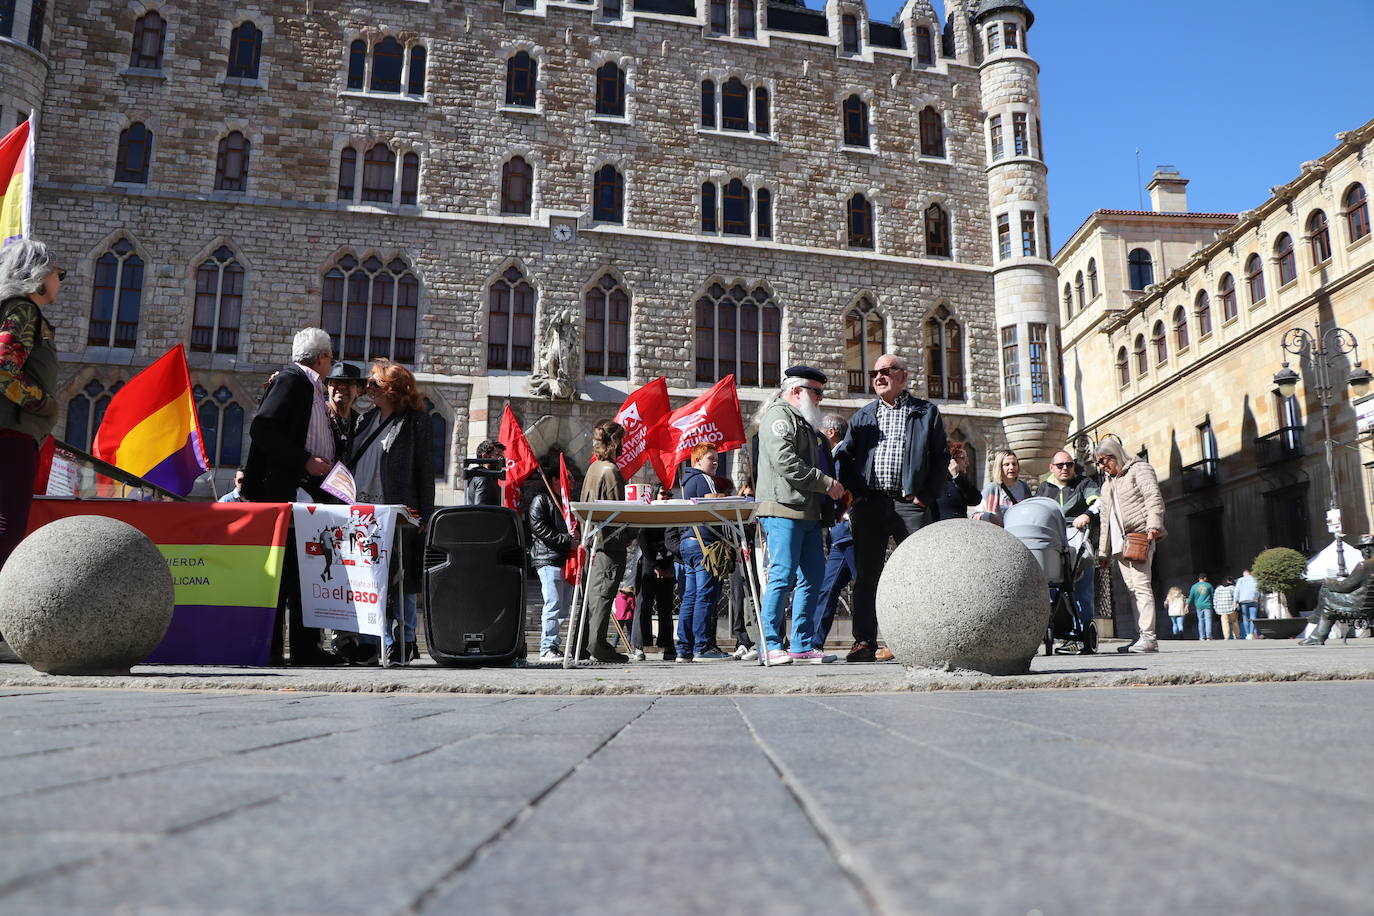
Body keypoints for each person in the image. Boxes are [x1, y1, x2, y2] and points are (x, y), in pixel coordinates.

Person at [835, 353, 948, 663]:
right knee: (866, 575)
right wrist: (854, 495)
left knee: (917, 573)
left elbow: (941, 458)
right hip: (870, 503)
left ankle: (917, 637)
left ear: (903, 375)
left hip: (909, 502)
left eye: (886, 371)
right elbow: (844, 457)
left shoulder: (926, 412)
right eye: (875, 372)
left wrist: (924, 497)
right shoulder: (864, 416)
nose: (879, 377)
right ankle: (864, 642)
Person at [242, 327, 337, 664]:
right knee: (286, 574)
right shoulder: (294, 380)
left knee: (303, 572)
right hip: (287, 490)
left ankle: (303, 647)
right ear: (322, 357)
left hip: (305, 493)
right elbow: (262, 427)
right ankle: (276, 647)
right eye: (330, 356)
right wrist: (305, 461)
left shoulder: (309, 385)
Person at [756, 366, 843, 665]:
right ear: (796, 391)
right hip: (783, 508)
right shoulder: (778, 417)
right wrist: (826, 483)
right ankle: (769, 643)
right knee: (783, 575)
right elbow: (785, 462)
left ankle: (802, 643)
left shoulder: (802, 422)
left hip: (808, 511)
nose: (820, 399)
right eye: (816, 392)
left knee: (813, 577)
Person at [349, 361, 435, 663]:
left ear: (393, 388)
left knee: (402, 578)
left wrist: (425, 512)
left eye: (374, 383)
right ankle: (374, 640)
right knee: (369, 580)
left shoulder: (415, 421)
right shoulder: (364, 419)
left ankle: (405, 640)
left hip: (398, 510)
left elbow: (425, 470)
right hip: (361, 511)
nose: (367, 388)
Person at [0, 240, 61, 573]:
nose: (60, 279)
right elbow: (3, 368)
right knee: (7, 531)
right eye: (58, 272)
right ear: (38, 275)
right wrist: (43, 405)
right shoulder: (23, 310)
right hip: (11, 435)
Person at [1094, 437, 1166, 653]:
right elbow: (1105, 519)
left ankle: (1149, 637)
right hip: (1119, 543)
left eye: (1105, 460)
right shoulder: (1108, 483)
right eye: (1099, 462)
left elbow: (1153, 497)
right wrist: (1103, 551)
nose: (1102, 466)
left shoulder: (1139, 469)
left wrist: (1154, 524)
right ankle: (1140, 637)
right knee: (1132, 589)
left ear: (1116, 454)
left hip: (1138, 535)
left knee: (1142, 586)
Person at [578, 419, 635, 662]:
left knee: (592, 595)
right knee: (602, 595)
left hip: (592, 542)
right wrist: (632, 534)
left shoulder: (593, 468)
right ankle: (597, 645)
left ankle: (584, 644)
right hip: (608, 544)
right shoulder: (611, 471)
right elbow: (616, 513)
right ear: (615, 441)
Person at [1036, 450, 1101, 638]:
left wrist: (1087, 515)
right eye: (1060, 465)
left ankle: (1085, 633)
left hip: (1078, 538)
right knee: (1053, 589)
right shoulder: (1044, 488)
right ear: (1051, 468)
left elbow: (1098, 502)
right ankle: (1059, 630)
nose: (1065, 468)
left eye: (1069, 464)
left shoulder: (1084, 483)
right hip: (1053, 541)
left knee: (1082, 589)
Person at [676, 443, 731, 662]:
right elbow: (713, 511)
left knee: (690, 596)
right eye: (711, 459)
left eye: (717, 459)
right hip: (703, 543)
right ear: (698, 461)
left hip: (688, 543)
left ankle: (684, 647)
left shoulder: (686, 481)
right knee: (705, 596)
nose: (716, 463)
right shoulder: (704, 479)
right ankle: (702, 646)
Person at [814, 414, 855, 649]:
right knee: (827, 589)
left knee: (867, 588)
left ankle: (877, 639)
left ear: (830, 432)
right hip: (841, 534)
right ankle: (813, 642)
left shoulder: (842, 455)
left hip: (850, 530)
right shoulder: (836, 455)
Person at [529, 471, 573, 662]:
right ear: (555, 479)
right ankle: (546, 648)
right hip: (548, 559)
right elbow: (539, 528)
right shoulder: (541, 500)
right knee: (553, 603)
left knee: (564, 606)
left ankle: (553, 645)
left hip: (565, 559)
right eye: (568, 477)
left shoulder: (565, 503)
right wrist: (566, 540)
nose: (572, 482)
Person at [1299, 535, 1374, 646]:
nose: (1361, 552)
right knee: (1327, 598)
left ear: (1366, 549)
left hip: (1361, 605)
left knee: (1327, 602)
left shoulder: (1364, 565)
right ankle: (1316, 621)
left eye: (1361, 550)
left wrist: (1329, 582)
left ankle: (1317, 633)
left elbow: (1345, 586)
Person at [636, 505, 678, 661]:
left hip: (668, 562)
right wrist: (654, 565)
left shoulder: (672, 517)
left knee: (666, 607)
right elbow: (642, 540)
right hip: (648, 562)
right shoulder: (648, 517)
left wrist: (668, 567)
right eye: (662, 494)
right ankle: (639, 645)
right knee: (643, 605)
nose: (666, 498)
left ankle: (667, 644)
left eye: (668, 495)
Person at [325, 361, 365, 461]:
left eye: (348, 383)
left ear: (358, 391)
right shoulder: (319, 415)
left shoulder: (361, 423)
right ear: (328, 387)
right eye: (336, 382)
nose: (342, 387)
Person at [935, 440, 981, 523]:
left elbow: (976, 499)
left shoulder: (960, 480)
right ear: (952, 461)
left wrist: (957, 477)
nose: (967, 463)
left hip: (961, 527)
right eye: (963, 458)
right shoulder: (937, 481)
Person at [980, 449, 1032, 522]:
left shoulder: (1024, 487)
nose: (1011, 467)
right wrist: (990, 517)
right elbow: (976, 514)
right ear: (999, 467)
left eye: (1014, 464)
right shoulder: (991, 489)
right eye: (1007, 464)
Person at [465, 439, 505, 506]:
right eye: (498, 455)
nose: (501, 459)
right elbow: (482, 512)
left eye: (502, 457)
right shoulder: (483, 478)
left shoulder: (489, 479)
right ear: (485, 456)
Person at [1188, 573, 1215, 640]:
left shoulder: (1194, 586)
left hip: (1198, 606)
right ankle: (1208, 636)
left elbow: (1191, 597)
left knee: (1200, 621)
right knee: (1208, 620)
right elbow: (1213, 595)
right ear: (1205, 578)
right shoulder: (1209, 585)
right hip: (1207, 605)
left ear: (1199, 578)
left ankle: (1202, 636)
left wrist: (1187, 605)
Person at [1236, 568, 1260, 639]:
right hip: (1253, 600)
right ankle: (1251, 633)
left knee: (1245, 617)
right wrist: (1259, 598)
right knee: (1253, 618)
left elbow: (1236, 590)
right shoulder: (1255, 579)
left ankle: (1247, 634)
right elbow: (1259, 589)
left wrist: (1235, 600)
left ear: (1244, 574)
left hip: (1243, 600)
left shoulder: (1240, 580)